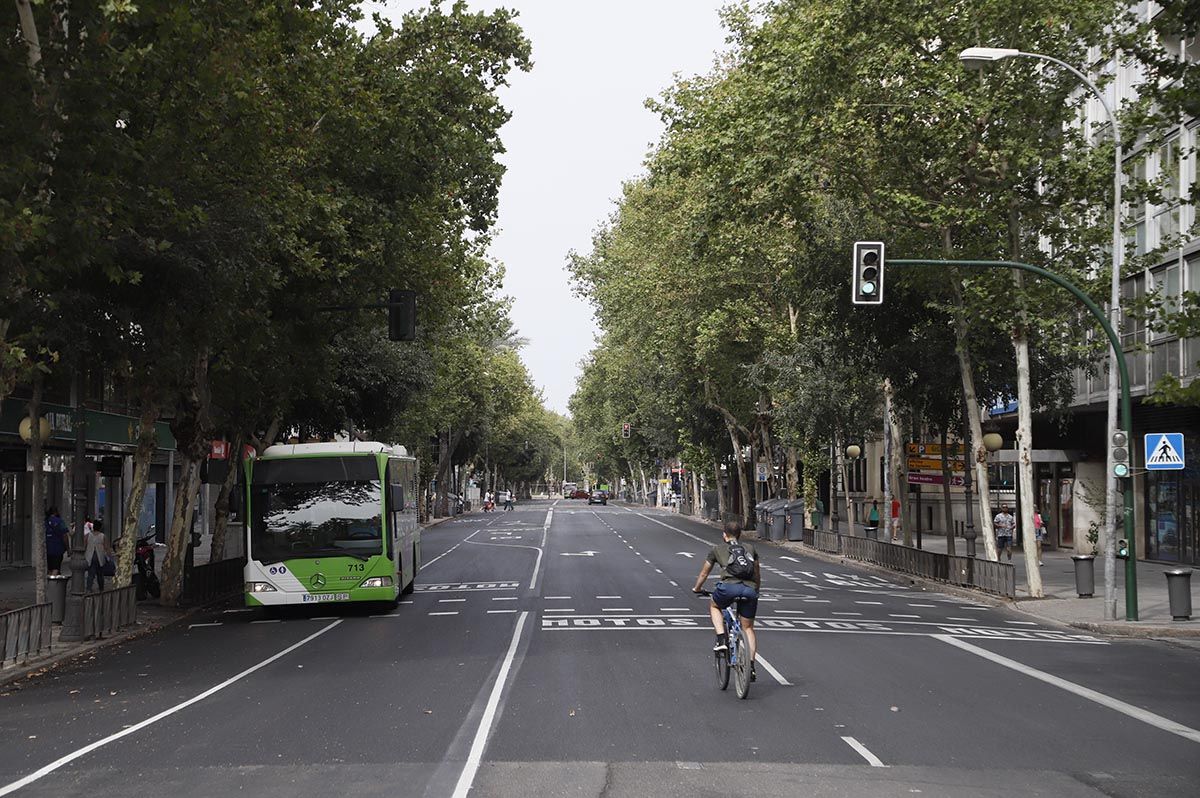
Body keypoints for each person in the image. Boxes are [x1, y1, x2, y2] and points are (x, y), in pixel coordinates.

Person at [692, 521, 760, 682]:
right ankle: (751, 666)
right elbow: (757, 574)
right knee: (748, 628)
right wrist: (756, 590)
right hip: (749, 589)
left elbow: (704, 573)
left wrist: (697, 588)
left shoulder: (717, 549)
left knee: (714, 605)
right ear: (740, 535)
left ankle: (721, 638)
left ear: (724, 534)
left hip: (728, 588)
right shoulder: (750, 549)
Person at [84, 518, 113, 592]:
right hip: (100, 556)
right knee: (100, 574)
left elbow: (84, 545)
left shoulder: (88, 535)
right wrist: (109, 556)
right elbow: (106, 547)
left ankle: (88, 588)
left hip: (90, 556)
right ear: (100, 527)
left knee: (91, 574)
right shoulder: (103, 536)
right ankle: (101, 588)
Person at [44, 507, 70, 575]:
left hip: (47, 548)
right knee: (56, 568)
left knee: (50, 568)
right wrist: (68, 549)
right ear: (56, 512)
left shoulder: (45, 521)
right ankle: (54, 584)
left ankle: (49, 583)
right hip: (57, 548)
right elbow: (65, 536)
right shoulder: (59, 521)